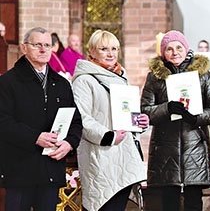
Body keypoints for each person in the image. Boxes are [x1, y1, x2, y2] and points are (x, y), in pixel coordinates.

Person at [0, 27, 82, 211]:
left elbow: (76, 122)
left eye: (47, 45)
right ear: (24, 48)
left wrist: (69, 143)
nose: (44, 49)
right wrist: (35, 137)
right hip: (20, 170)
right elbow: (3, 122)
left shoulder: (61, 84)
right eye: (37, 45)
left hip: (50, 169)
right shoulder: (7, 82)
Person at [141, 30, 210, 211]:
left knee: (194, 200)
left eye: (179, 47)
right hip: (165, 147)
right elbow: (145, 110)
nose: (175, 52)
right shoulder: (155, 77)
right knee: (169, 201)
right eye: (169, 49)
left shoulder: (202, 74)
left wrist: (195, 118)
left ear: (186, 49)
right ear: (163, 53)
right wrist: (166, 108)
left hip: (195, 145)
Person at [72, 30, 149, 210]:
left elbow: (124, 112)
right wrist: (108, 136)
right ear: (91, 51)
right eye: (104, 48)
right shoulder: (84, 80)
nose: (110, 53)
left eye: (114, 48)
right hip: (101, 153)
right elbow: (82, 117)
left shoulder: (121, 77)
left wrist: (139, 122)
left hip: (124, 154)